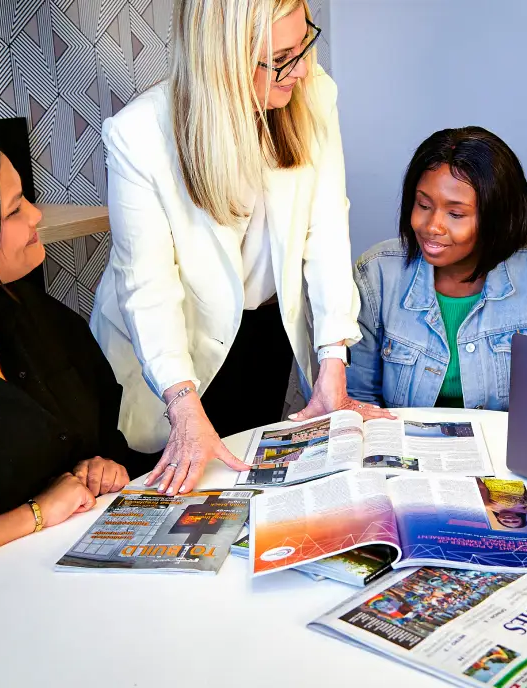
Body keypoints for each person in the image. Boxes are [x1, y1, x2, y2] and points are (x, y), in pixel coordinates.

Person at [90, 0, 389, 498]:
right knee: (168, 498)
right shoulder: (139, 135)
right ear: (221, 59)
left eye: (304, 44)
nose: (301, 70)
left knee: (243, 497)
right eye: (280, 58)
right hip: (169, 353)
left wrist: (333, 359)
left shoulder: (313, 95)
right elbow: (148, 287)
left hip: (263, 333)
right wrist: (183, 404)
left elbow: (328, 227)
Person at [0, 118, 152, 617]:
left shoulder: (37, 319)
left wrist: (104, 467)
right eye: (15, 209)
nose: (37, 216)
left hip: (93, 593)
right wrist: (36, 513)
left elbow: (104, 440)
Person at [347, 127, 527, 410]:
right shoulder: (376, 274)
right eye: (423, 204)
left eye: (456, 214)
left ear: (497, 217)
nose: (432, 227)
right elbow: (358, 400)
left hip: (508, 451)